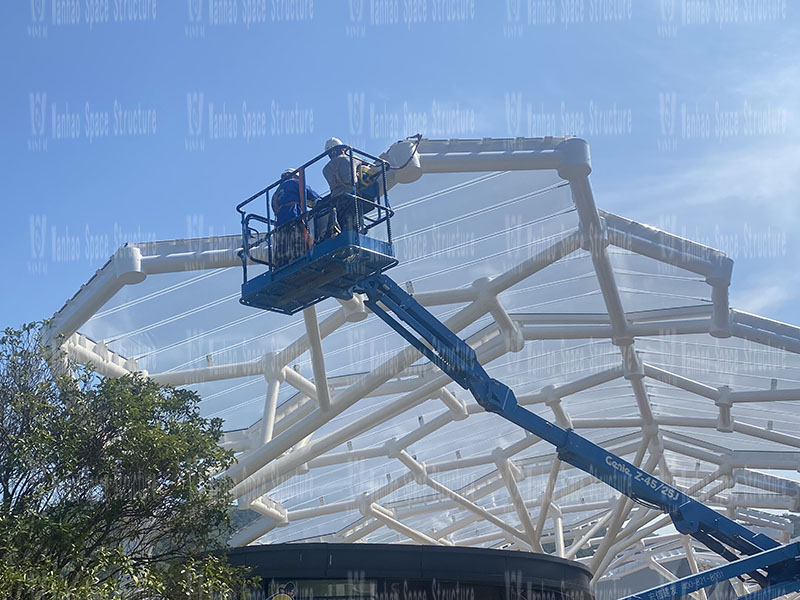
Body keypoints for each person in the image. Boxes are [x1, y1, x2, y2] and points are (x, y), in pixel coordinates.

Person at [320, 137, 370, 237]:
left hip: (335, 201)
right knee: (354, 226)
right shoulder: (350, 159)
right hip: (350, 197)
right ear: (341, 149)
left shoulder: (325, 170)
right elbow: (366, 163)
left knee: (343, 225)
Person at [271, 168, 320, 267]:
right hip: (294, 218)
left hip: (280, 226)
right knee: (300, 246)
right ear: (293, 175)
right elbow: (310, 194)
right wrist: (321, 201)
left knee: (283, 249)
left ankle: (281, 265)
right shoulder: (293, 182)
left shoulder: (275, 193)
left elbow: (274, 209)